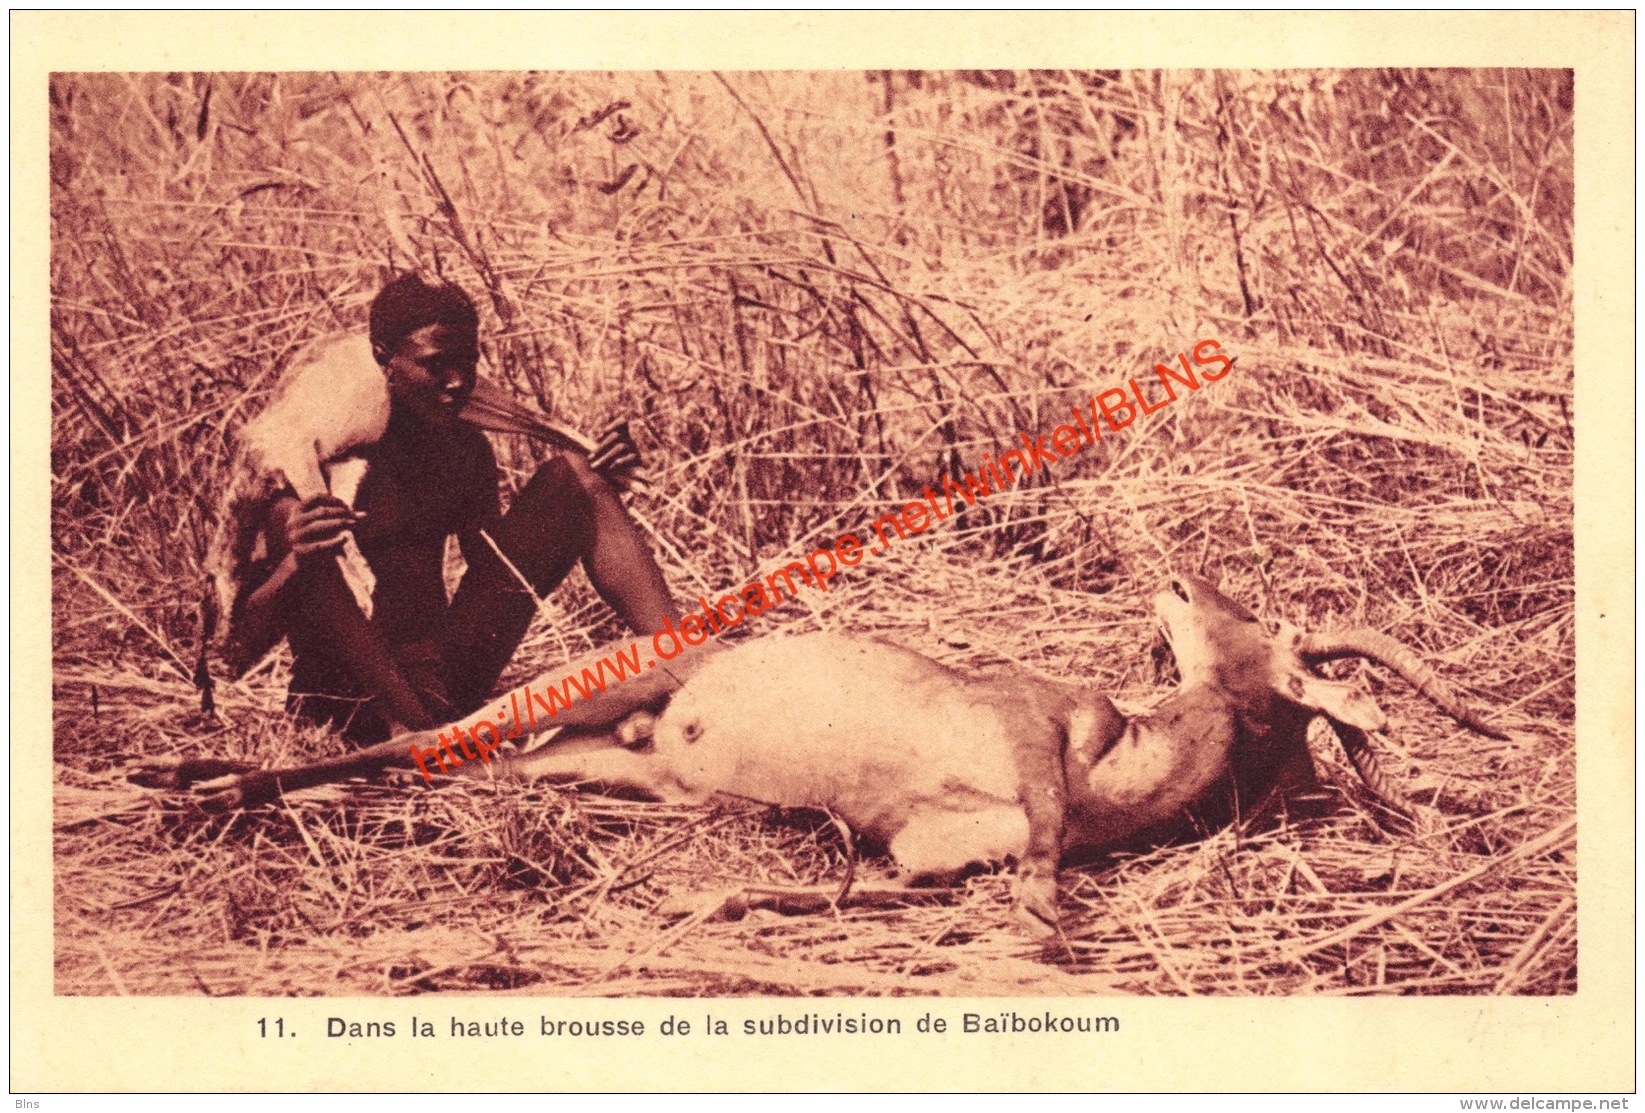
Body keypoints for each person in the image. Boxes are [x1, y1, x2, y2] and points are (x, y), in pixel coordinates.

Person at [228, 274, 683, 744]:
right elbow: (240, 644)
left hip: (445, 680)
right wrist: (295, 563)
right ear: (385, 358)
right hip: (352, 703)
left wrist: (600, 477)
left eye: (468, 361)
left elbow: (498, 573)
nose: (458, 381)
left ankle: (686, 667)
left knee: (576, 478)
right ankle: (416, 738)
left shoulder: (463, 452)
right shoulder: (314, 474)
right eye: (435, 364)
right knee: (313, 544)